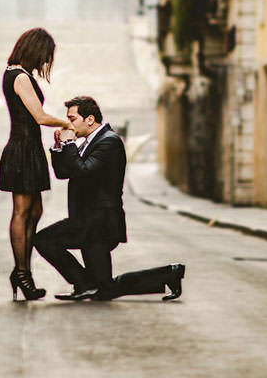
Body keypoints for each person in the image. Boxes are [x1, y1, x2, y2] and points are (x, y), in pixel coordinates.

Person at [36, 95, 185, 302]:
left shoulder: (109, 141)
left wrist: (69, 143)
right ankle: (169, 274)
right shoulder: (91, 142)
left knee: (45, 240)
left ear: (89, 119)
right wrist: (59, 147)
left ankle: (85, 284)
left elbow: (84, 171)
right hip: (86, 222)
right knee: (103, 288)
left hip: (99, 224)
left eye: (72, 118)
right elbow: (64, 173)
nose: (68, 123)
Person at [0, 27, 71, 300]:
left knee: (35, 209)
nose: (46, 62)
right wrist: (67, 123)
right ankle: (22, 273)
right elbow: (39, 116)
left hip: (30, 148)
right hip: (22, 148)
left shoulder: (20, 75)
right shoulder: (19, 76)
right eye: (45, 56)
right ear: (34, 51)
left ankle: (23, 270)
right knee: (22, 210)